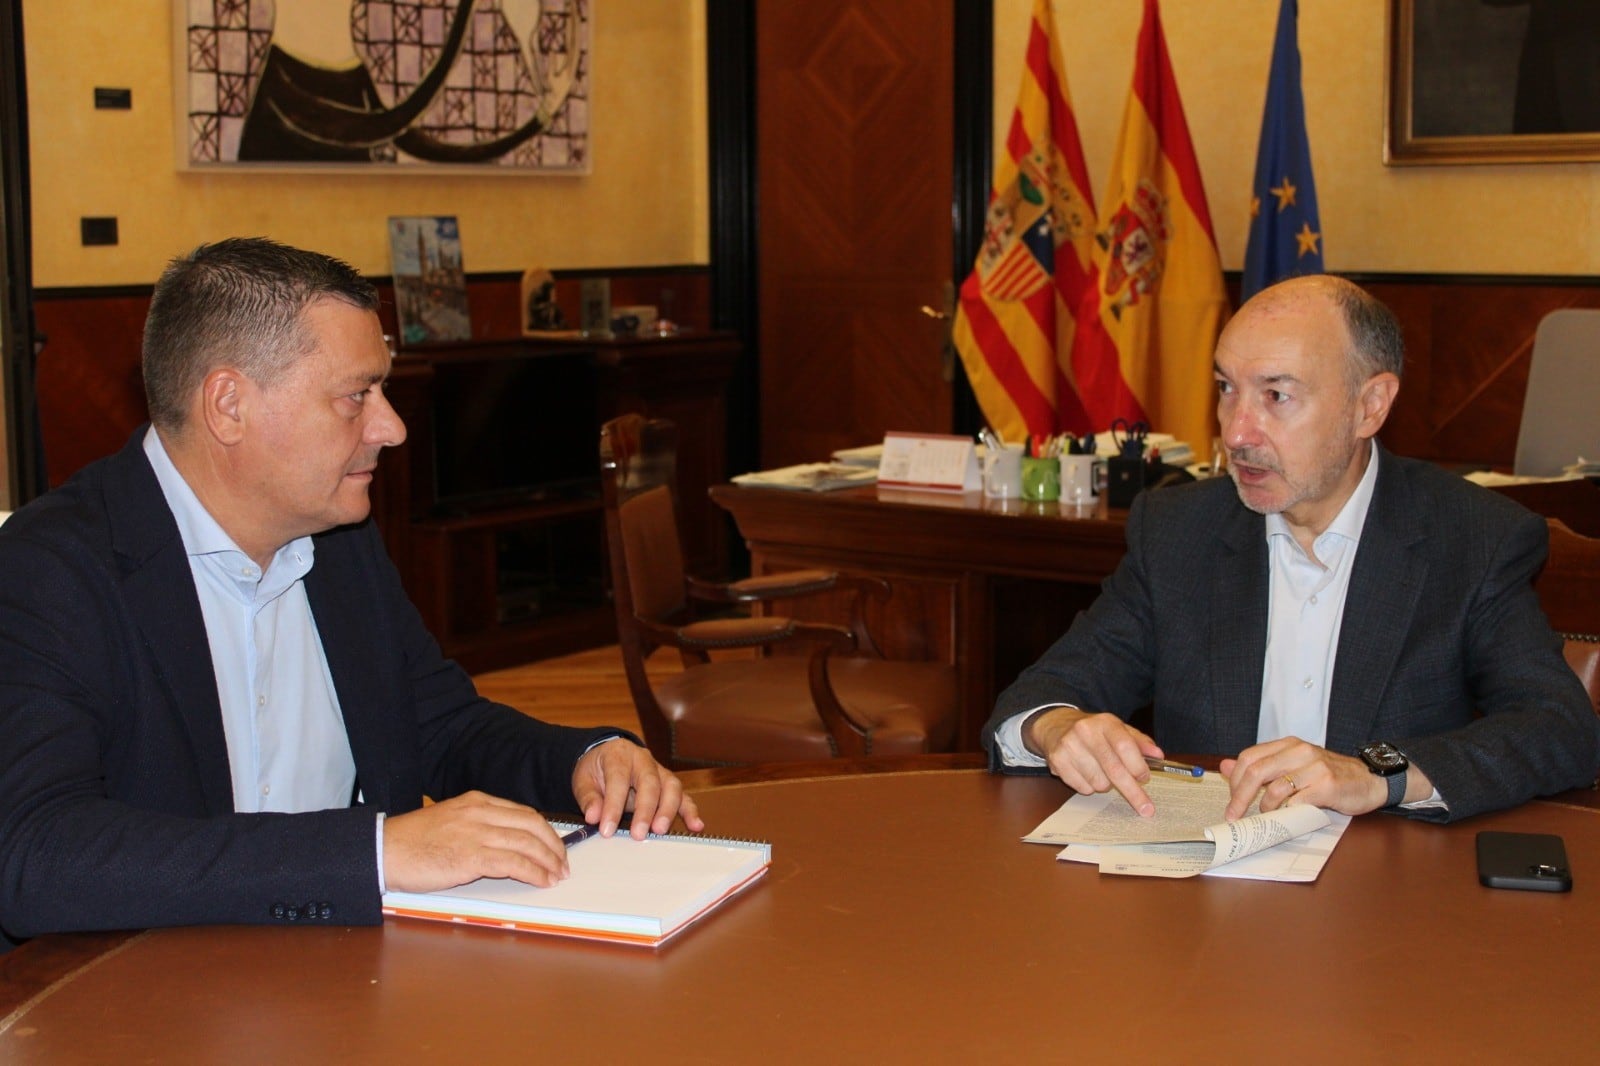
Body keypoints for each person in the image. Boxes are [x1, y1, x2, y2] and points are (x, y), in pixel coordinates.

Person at [0, 238, 700, 950]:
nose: (390, 427)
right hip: (142, 1002)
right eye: (355, 396)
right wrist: (371, 854)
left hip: (357, 976)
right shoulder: (50, 569)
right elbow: (35, 852)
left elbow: (436, 724)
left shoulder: (338, 536)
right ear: (229, 405)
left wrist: (583, 758)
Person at [983, 274, 1600, 823]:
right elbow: (1038, 696)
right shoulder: (1178, 531)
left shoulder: (1473, 537)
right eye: (1227, 388)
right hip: (1202, 893)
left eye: (1276, 395)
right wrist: (1058, 727)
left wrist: (1376, 774)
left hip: (1390, 899)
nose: (1236, 432)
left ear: (1370, 406)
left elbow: (1561, 730)